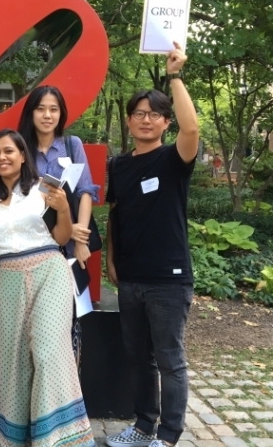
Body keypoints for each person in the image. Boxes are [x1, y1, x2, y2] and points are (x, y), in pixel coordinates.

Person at [0, 129, 95, 447]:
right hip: (8, 276)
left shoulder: (43, 189)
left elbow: (63, 239)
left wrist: (64, 208)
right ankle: (15, 437)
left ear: (23, 155)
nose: (2, 157)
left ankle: (57, 439)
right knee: (11, 360)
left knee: (49, 352)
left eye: (9, 151)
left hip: (49, 270)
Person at [104, 42, 198, 447]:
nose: (146, 120)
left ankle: (169, 436)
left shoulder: (174, 159)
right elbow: (115, 215)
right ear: (128, 122)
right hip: (130, 280)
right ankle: (143, 426)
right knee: (138, 360)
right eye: (139, 114)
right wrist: (110, 260)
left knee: (170, 361)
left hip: (168, 279)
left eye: (154, 114)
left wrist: (175, 76)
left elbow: (192, 128)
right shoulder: (119, 166)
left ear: (164, 123)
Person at [17, 85, 101, 270]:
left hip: (70, 250)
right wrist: (68, 230)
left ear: (61, 114)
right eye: (40, 109)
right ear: (31, 113)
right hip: (33, 244)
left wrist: (80, 241)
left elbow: (85, 191)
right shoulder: (20, 151)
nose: (47, 115)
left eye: (53, 109)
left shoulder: (72, 146)